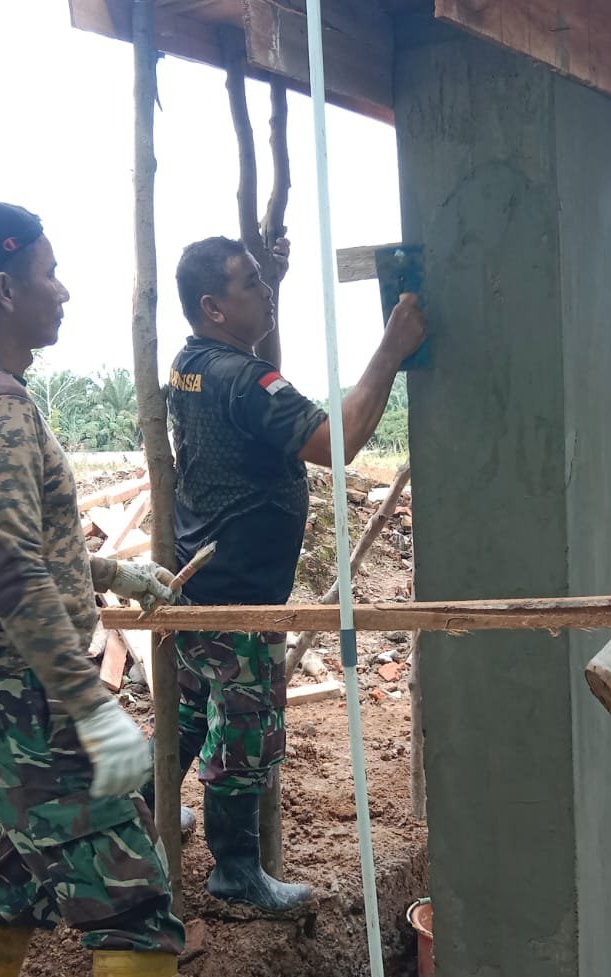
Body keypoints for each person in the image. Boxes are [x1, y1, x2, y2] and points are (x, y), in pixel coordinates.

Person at [0, 201, 232, 977]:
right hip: (25, 700)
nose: (64, 289)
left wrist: (109, 573)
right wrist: (90, 702)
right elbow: (8, 572)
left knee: (26, 871)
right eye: (50, 273)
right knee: (134, 890)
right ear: (5, 288)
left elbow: (22, 544)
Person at [159, 235, 425, 912]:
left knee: (190, 714)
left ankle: (146, 810)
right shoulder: (243, 380)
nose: (266, 292)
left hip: (201, 581)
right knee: (244, 730)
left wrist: (269, 272)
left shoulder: (190, 364)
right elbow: (339, 441)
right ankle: (235, 872)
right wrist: (391, 350)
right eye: (251, 283)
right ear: (214, 307)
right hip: (242, 596)